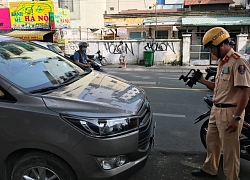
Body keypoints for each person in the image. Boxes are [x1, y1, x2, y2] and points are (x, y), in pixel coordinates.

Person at [191, 27, 250, 180]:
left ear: (220, 44)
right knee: (212, 143)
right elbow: (218, 88)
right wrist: (202, 81)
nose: (211, 51)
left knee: (230, 150)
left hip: (230, 112)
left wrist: (236, 117)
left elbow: (245, 92)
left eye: (212, 47)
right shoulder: (222, 62)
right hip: (216, 109)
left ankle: (232, 177)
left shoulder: (238, 61)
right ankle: (210, 169)